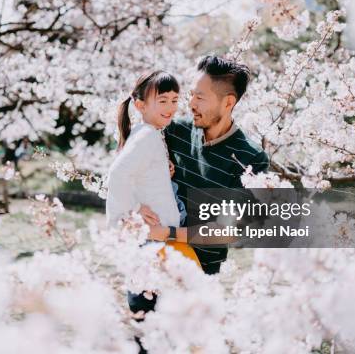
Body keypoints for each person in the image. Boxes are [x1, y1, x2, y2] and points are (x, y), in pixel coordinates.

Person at [139, 55, 270, 275]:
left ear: (228, 102)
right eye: (191, 95)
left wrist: (167, 233)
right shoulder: (173, 132)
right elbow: (131, 168)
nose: (190, 104)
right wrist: (138, 204)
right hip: (148, 264)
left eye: (199, 97)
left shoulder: (251, 158)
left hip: (197, 280)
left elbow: (228, 230)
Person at [106, 71, 200, 354]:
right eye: (162, 100)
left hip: (157, 243)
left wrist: (163, 172)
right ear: (140, 105)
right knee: (150, 320)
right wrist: (132, 210)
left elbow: (136, 176)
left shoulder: (147, 134)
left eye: (174, 100)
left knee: (153, 321)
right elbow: (117, 175)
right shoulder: (147, 135)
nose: (170, 107)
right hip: (150, 245)